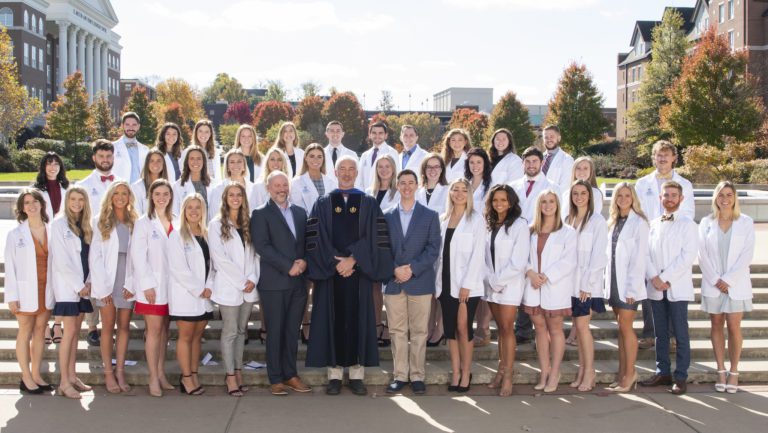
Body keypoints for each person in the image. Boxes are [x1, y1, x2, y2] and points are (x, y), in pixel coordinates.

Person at [305, 156, 394, 396]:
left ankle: (356, 375)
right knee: (331, 321)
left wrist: (353, 259)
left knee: (359, 321)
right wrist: (337, 264)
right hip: (331, 274)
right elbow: (316, 238)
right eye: (342, 169)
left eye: (351, 169)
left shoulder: (368, 202)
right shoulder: (323, 203)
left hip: (359, 274)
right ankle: (334, 375)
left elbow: (376, 238)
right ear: (335, 172)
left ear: (357, 173)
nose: (346, 173)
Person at [251, 171, 312, 396]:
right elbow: (263, 246)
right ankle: (275, 378)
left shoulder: (299, 212)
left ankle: (290, 374)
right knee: (275, 331)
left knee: (291, 331)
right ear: (268, 188)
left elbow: (306, 242)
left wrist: (304, 261)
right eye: (276, 185)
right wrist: (289, 266)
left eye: (284, 184)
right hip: (274, 283)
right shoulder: (260, 214)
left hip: (298, 283)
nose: (281, 189)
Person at [382, 169, 441, 395]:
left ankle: (417, 375)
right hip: (394, 281)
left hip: (420, 281)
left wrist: (412, 269)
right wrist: (395, 269)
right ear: (397, 186)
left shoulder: (430, 215)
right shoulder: (386, 216)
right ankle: (399, 375)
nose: (406, 187)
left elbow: (433, 248)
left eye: (411, 183)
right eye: (402, 183)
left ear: (417, 185)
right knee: (397, 331)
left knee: (418, 331)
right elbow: (382, 248)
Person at [634, 140, 695, 350]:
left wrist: (670, 226)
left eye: (666, 155)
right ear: (653, 157)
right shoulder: (642, 184)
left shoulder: (685, 184)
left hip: (674, 243)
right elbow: (637, 212)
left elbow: (688, 214)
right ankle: (650, 333)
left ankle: (672, 335)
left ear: (674, 158)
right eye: (658, 155)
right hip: (650, 241)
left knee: (671, 286)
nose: (662, 159)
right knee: (650, 288)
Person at [640, 181, 698, 395]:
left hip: (677, 286)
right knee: (660, 334)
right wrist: (654, 276)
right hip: (655, 287)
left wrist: (665, 277)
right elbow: (644, 253)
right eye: (666, 195)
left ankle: (680, 376)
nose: (670, 198)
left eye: (674, 195)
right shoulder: (653, 224)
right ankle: (662, 371)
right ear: (660, 198)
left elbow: (687, 255)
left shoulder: (688, 224)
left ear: (681, 199)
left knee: (681, 333)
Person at [698, 181, 755, 394]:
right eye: (721, 195)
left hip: (736, 283)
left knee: (733, 326)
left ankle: (734, 371)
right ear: (715, 198)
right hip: (713, 283)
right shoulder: (706, 222)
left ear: (735, 197)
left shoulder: (746, 222)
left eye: (729, 194)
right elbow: (701, 254)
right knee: (716, 324)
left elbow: (746, 255)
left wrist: (729, 279)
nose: (725, 199)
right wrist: (715, 279)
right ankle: (720, 370)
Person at [523, 189, 577, 393]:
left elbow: (569, 260)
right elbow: (522, 256)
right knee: (539, 329)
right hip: (533, 285)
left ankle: (555, 372)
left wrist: (545, 276)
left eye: (551, 201)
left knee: (555, 329)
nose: (547, 205)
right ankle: (544, 371)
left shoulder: (568, 232)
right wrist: (530, 273)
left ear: (557, 204)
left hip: (554, 286)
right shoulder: (530, 230)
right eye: (543, 201)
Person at [208, 182, 259, 397]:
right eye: (231, 195)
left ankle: (238, 371)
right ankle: (229, 376)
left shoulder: (250, 222)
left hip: (249, 286)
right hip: (230, 286)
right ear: (225, 198)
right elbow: (220, 259)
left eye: (239, 194)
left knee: (241, 331)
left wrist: (253, 278)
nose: (235, 198)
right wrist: (241, 281)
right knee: (230, 332)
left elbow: (256, 254)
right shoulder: (216, 224)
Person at [436, 178, 486, 393]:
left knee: (463, 329)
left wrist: (467, 285)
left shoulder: (476, 220)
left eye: (463, 190)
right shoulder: (443, 218)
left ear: (469, 194)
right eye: (455, 189)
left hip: (467, 286)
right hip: (445, 284)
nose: (459, 193)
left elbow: (478, 255)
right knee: (450, 331)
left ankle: (466, 372)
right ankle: (455, 372)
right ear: (450, 193)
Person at [89, 181, 138, 393]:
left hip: (127, 279)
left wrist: (133, 283)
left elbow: (140, 256)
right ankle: (108, 373)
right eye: (116, 193)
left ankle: (120, 371)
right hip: (106, 280)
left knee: (124, 327)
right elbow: (95, 257)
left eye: (124, 193)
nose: (120, 197)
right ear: (110, 196)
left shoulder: (135, 221)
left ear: (129, 197)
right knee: (107, 326)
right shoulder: (100, 222)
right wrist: (103, 288)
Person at [4, 189, 54, 394]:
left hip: (46, 288)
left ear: (41, 204)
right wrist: (12, 296)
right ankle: (25, 376)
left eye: (35, 201)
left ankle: (36, 374)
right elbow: (10, 268)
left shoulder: (52, 230)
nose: (31, 205)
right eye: (26, 203)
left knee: (41, 332)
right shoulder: (15, 235)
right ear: (22, 208)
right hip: (25, 291)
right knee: (25, 332)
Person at [129, 179, 176, 397]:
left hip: (172, 287)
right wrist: (147, 284)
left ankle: (161, 373)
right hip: (152, 288)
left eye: (165, 193)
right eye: (157, 194)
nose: (161, 198)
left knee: (165, 331)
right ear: (151, 196)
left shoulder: (176, 220)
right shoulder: (143, 222)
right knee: (154, 332)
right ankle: (152, 378)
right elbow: (138, 256)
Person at [482, 184, 529, 396]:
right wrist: (490, 279)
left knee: (508, 329)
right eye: (495, 200)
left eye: (503, 200)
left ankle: (509, 375)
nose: (499, 204)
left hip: (509, 285)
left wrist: (498, 281)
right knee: (500, 329)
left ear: (511, 202)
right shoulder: (488, 223)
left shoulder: (520, 225)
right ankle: (501, 370)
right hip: (490, 284)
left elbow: (519, 262)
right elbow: (481, 256)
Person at [290, 143, 337, 344]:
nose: (316, 159)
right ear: (306, 159)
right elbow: (297, 212)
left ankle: (321, 324)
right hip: (306, 239)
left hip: (328, 241)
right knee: (306, 285)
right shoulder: (297, 182)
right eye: (312, 156)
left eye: (319, 156)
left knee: (323, 284)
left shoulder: (331, 181)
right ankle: (306, 324)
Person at [509, 146, 557, 344]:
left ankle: (542, 334)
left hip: (542, 238)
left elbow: (556, 214)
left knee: (538, 281)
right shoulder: (513, 186)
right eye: (527, 162)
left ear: (541, 163)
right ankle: (522, 329)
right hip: (517, 238)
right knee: (521, 280)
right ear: (523, 164)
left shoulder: (551, 187)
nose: (531, 165)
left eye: (534, 161)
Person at [76, 139, 122, 347]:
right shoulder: (84, 185)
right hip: (90, 239)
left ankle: (109, 326)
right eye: (101, 156)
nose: (105, 160)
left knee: (111, 280)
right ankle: (93, 327)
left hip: (114, 240)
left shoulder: (120, 183)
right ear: (94, 158)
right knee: (92, 280)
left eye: (109, 156)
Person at [167, 193, 214, 396]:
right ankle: (186, 378)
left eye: (198, 207)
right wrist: (198, 289)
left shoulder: (207, 233)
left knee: (197, 337)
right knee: (186, 337)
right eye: (190, 208)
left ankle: (193, 374)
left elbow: (214, 264)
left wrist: (209, 285)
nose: (194, 211)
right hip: (186, 295)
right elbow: (178, 268)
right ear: (184, 210)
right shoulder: (176, 235)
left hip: (204, 296)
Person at [50, 187, 94, 398]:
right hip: (69, 288)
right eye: (73, 199)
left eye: (81, 199)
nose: (77, 203)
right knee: (68, 335)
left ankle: (73, 376)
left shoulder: (86, 226)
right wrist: (79, 286)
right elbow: (61, 261)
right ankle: (63, 382)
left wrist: (89, 282)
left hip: (84, 287)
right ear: (67, 201)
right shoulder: (59, 225)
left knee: (76, 333)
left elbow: (92, 257)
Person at [605, 182, 649, 393]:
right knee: (621, 329)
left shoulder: (639, 223)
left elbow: (640, 259)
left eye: (627, 195)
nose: (623, 199)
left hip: (629, 285)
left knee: (626, 328)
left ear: (633, 199)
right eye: (619, 196)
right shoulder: (613, 221)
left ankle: (631, 373)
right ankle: (622, 373)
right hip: (614, 281)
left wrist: (632, 289)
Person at [564, 180, 608, 392]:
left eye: (583, 193)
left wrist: (587, 285)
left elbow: (599, 256)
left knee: (582, 329)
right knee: (578, 330)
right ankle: (581, 371)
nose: (579, 197)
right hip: (570, 285)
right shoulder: (568, 219)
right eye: (575, 194)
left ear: (590, 196)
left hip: (586, 286)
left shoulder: (597, 221)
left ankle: (590, 373)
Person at [33, 151, 69, 345]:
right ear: (43, 166)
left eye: (56, 163)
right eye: (49, 163)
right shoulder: (36, 190)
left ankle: (57, 324)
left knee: (59, 282)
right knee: (45, 283)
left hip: (63, 240)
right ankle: (46, 325)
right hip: (43, 240)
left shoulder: (67, 188)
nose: (53, 166)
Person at [416, 154, 449, 346]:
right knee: (427, 290)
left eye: (437, 167)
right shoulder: (418, 191)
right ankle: (427, 327)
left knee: (441, 289)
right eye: (429, 167)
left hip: (442, 245)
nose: (433, 170)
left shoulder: (447, 190)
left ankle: (440, 328)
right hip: (421, 247)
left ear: (442, 169)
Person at [464, 147, 493, 346]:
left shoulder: (491, 186)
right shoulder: (464, 184)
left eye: (479, 162)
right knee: (470, 281)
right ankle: (469, 327)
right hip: (466, 239)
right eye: (472, 162)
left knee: (484, 282)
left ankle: (483, 328)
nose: (475, 166)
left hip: (486, 237)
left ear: (485, 164)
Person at [208, 149, 256, 222]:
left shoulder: (254, 188)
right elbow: (214, 216)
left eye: (239, 162)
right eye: (232, 162)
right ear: (227, 167)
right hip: (225, 230)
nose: (236, 165)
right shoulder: (218, 189)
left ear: (244, 166)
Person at [357, 121, 399, 191]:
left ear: (386, 135)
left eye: (380, 133)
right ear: (369, 135)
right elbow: (359, 178)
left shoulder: (392, 152)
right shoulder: (365, 155)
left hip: (385, 195)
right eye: (374, 133)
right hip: (366, 195)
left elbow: (396, 176)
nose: (377, 136)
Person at [172, 145, 212, 216]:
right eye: (192, 158)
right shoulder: (178, 186)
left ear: (203, 161)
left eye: (199, 158)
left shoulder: (213, 184)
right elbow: (175, 213)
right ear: (187, 162)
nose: (195, 162)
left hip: (209, 226)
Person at [112, 112, 149, 184]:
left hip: (140, 191)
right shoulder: (112, 147)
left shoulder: (146, 150)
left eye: (134, 125)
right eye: (127, 124)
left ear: (138, 126)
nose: (131, 128)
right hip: (120, 190)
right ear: (122, 126)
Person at [131, 149, 170, 215]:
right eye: (151, 161)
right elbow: (137, 214)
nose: (155, 164)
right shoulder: (137, 187)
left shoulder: (169, 187)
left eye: (159, 161)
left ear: (163, 164)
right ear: (147, 164)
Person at [540, 125, 574, 194]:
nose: (549, 140)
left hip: (556, 201)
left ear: (559, 138)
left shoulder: (567, 160)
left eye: (552, 137)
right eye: (546, 137)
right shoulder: (539, 158)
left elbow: (565, 188)